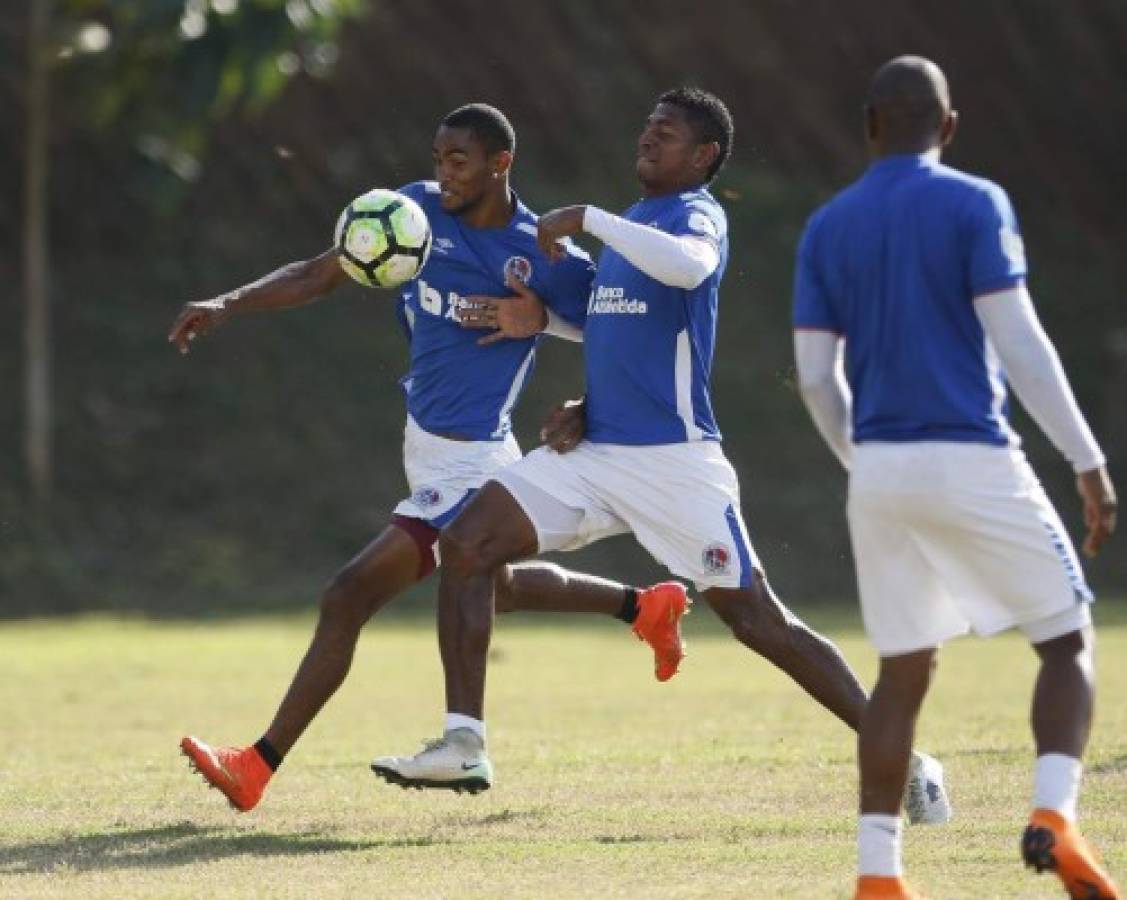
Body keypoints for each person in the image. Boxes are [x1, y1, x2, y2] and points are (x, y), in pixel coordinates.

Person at [372, 87, 950, 826]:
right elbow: (612, 326)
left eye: (667, 133)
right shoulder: (637, 223)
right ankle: (464, 741)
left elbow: (689, 270)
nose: (648, 138)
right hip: (596, 451)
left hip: (674, 465)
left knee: (758, 622)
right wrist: (545, 322)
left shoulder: (691, 215)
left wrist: (586, 219)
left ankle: (904, 757)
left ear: (703, 156)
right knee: (466, 542)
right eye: (646, 126)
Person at [169, 103, 693, 812]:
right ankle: (642, 607)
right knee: (494, 587)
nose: (442, 173)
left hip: (470, 462)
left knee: (348, 594)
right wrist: (229, 302)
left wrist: (552, 340)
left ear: (500, 164)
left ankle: (259, 765)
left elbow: (626, 334)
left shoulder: (540, 253)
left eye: (458, 161)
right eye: (438, 156)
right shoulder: (409, 212)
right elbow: (322, 272)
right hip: (431, 450)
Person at [792, 56, 1120, 900]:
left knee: (901, 672)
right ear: (948, 127)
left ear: (868, 124)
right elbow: (1018, 342)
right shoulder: (974, 202)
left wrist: (859, 464)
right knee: (1064, 638)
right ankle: (1053, 817)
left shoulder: (827, 225)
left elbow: (815, 378)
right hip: (972, 454)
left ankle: (877, 873)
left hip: (879, 469)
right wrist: (1085, 460)